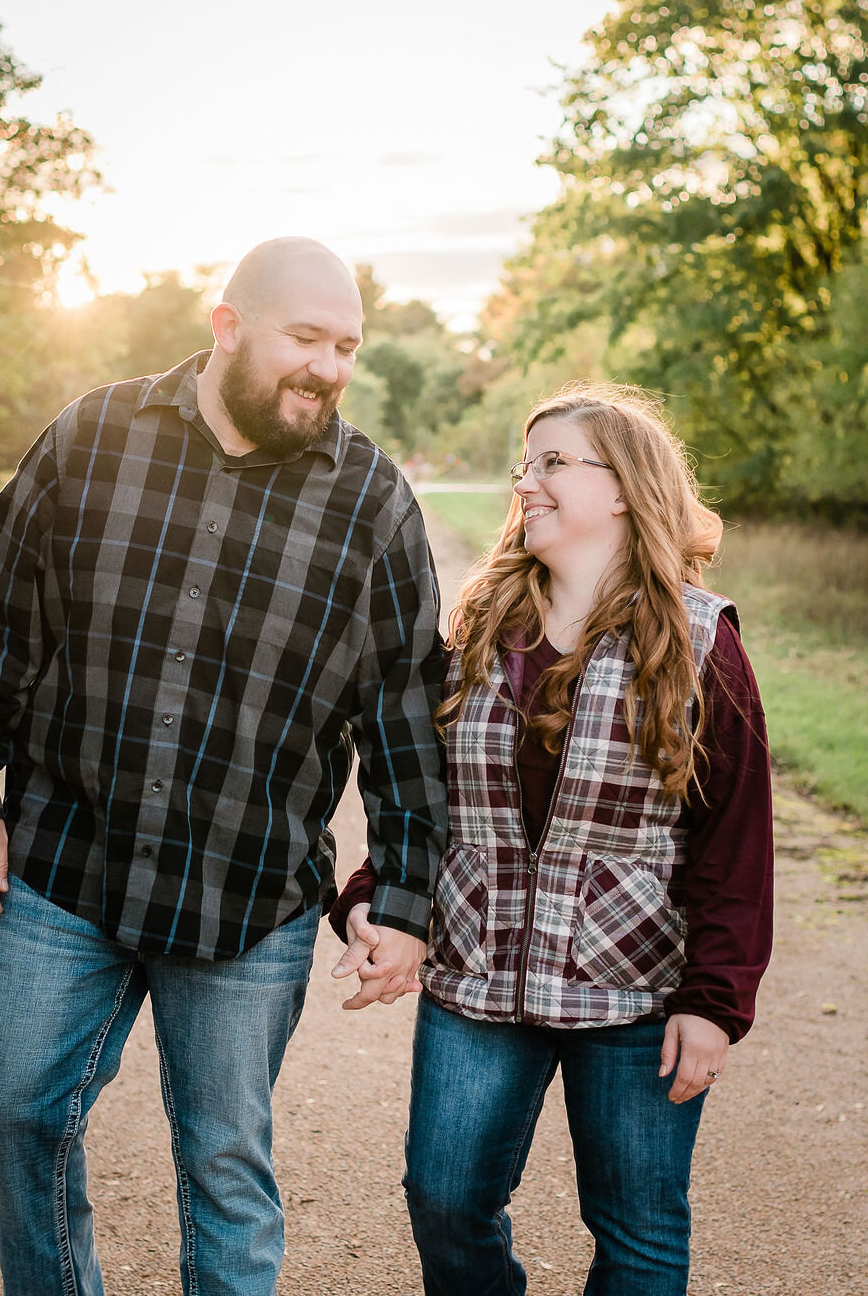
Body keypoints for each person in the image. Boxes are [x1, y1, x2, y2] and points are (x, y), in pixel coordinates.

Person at [0, 236, 445, 1296]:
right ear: (227, 326)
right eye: (305, 339)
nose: (328, 369)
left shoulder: (372, 505)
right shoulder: (91, 439)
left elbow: (403, 717)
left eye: (346, 346)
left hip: (246, 895)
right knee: (18, 1106)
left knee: (223, 1165)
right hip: (65, 864)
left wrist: (403, 895)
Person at [331, 383, 774, 1296]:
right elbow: (426, 788)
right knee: (444, 1198)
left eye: (553, 463)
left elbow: (736, 842)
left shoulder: (699, 642)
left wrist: (716, 1000)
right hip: (478, 974)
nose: (525, 481)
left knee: (641, 1232)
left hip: (636, 989)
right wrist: (380, 888)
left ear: (623, 488)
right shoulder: (479, 628)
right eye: (524, 464)